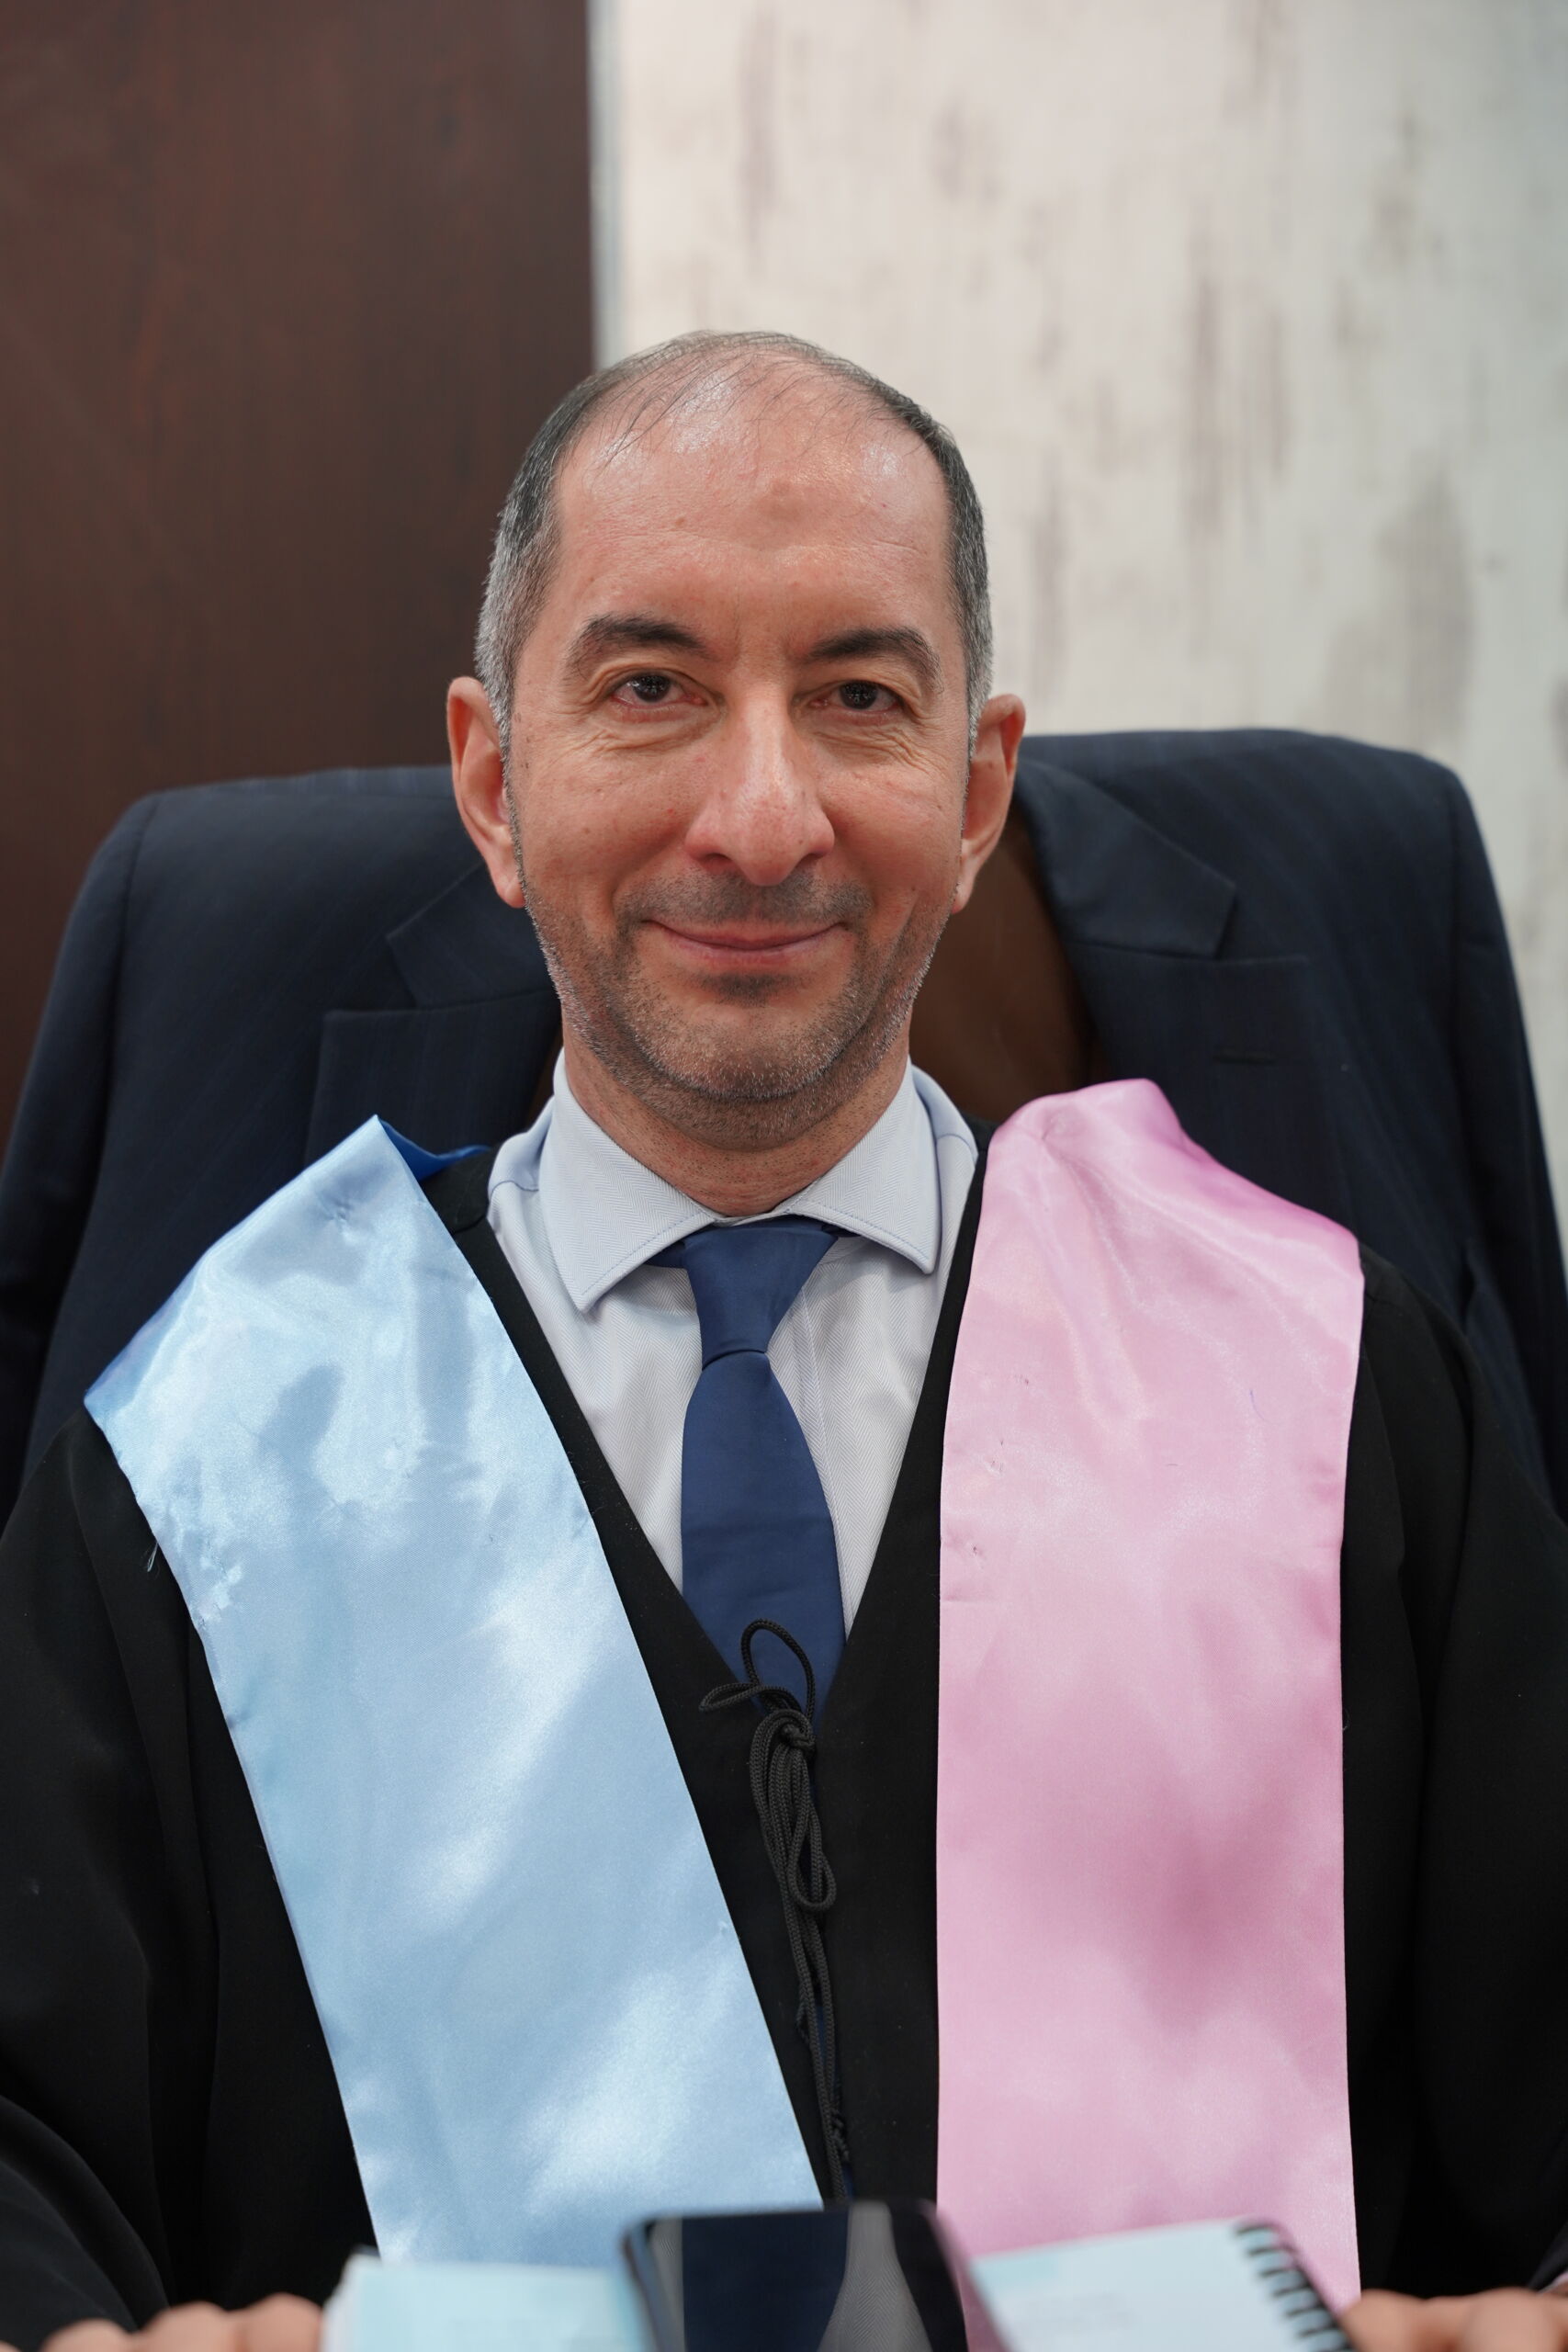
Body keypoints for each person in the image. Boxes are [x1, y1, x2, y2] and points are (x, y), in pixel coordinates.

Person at [2, 332, 1566, 2352]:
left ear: (976, 792)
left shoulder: (1329, 1396)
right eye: (650, 689)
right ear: (492, 781)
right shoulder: (208, 1470)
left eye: (858, 697)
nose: (760, 819)